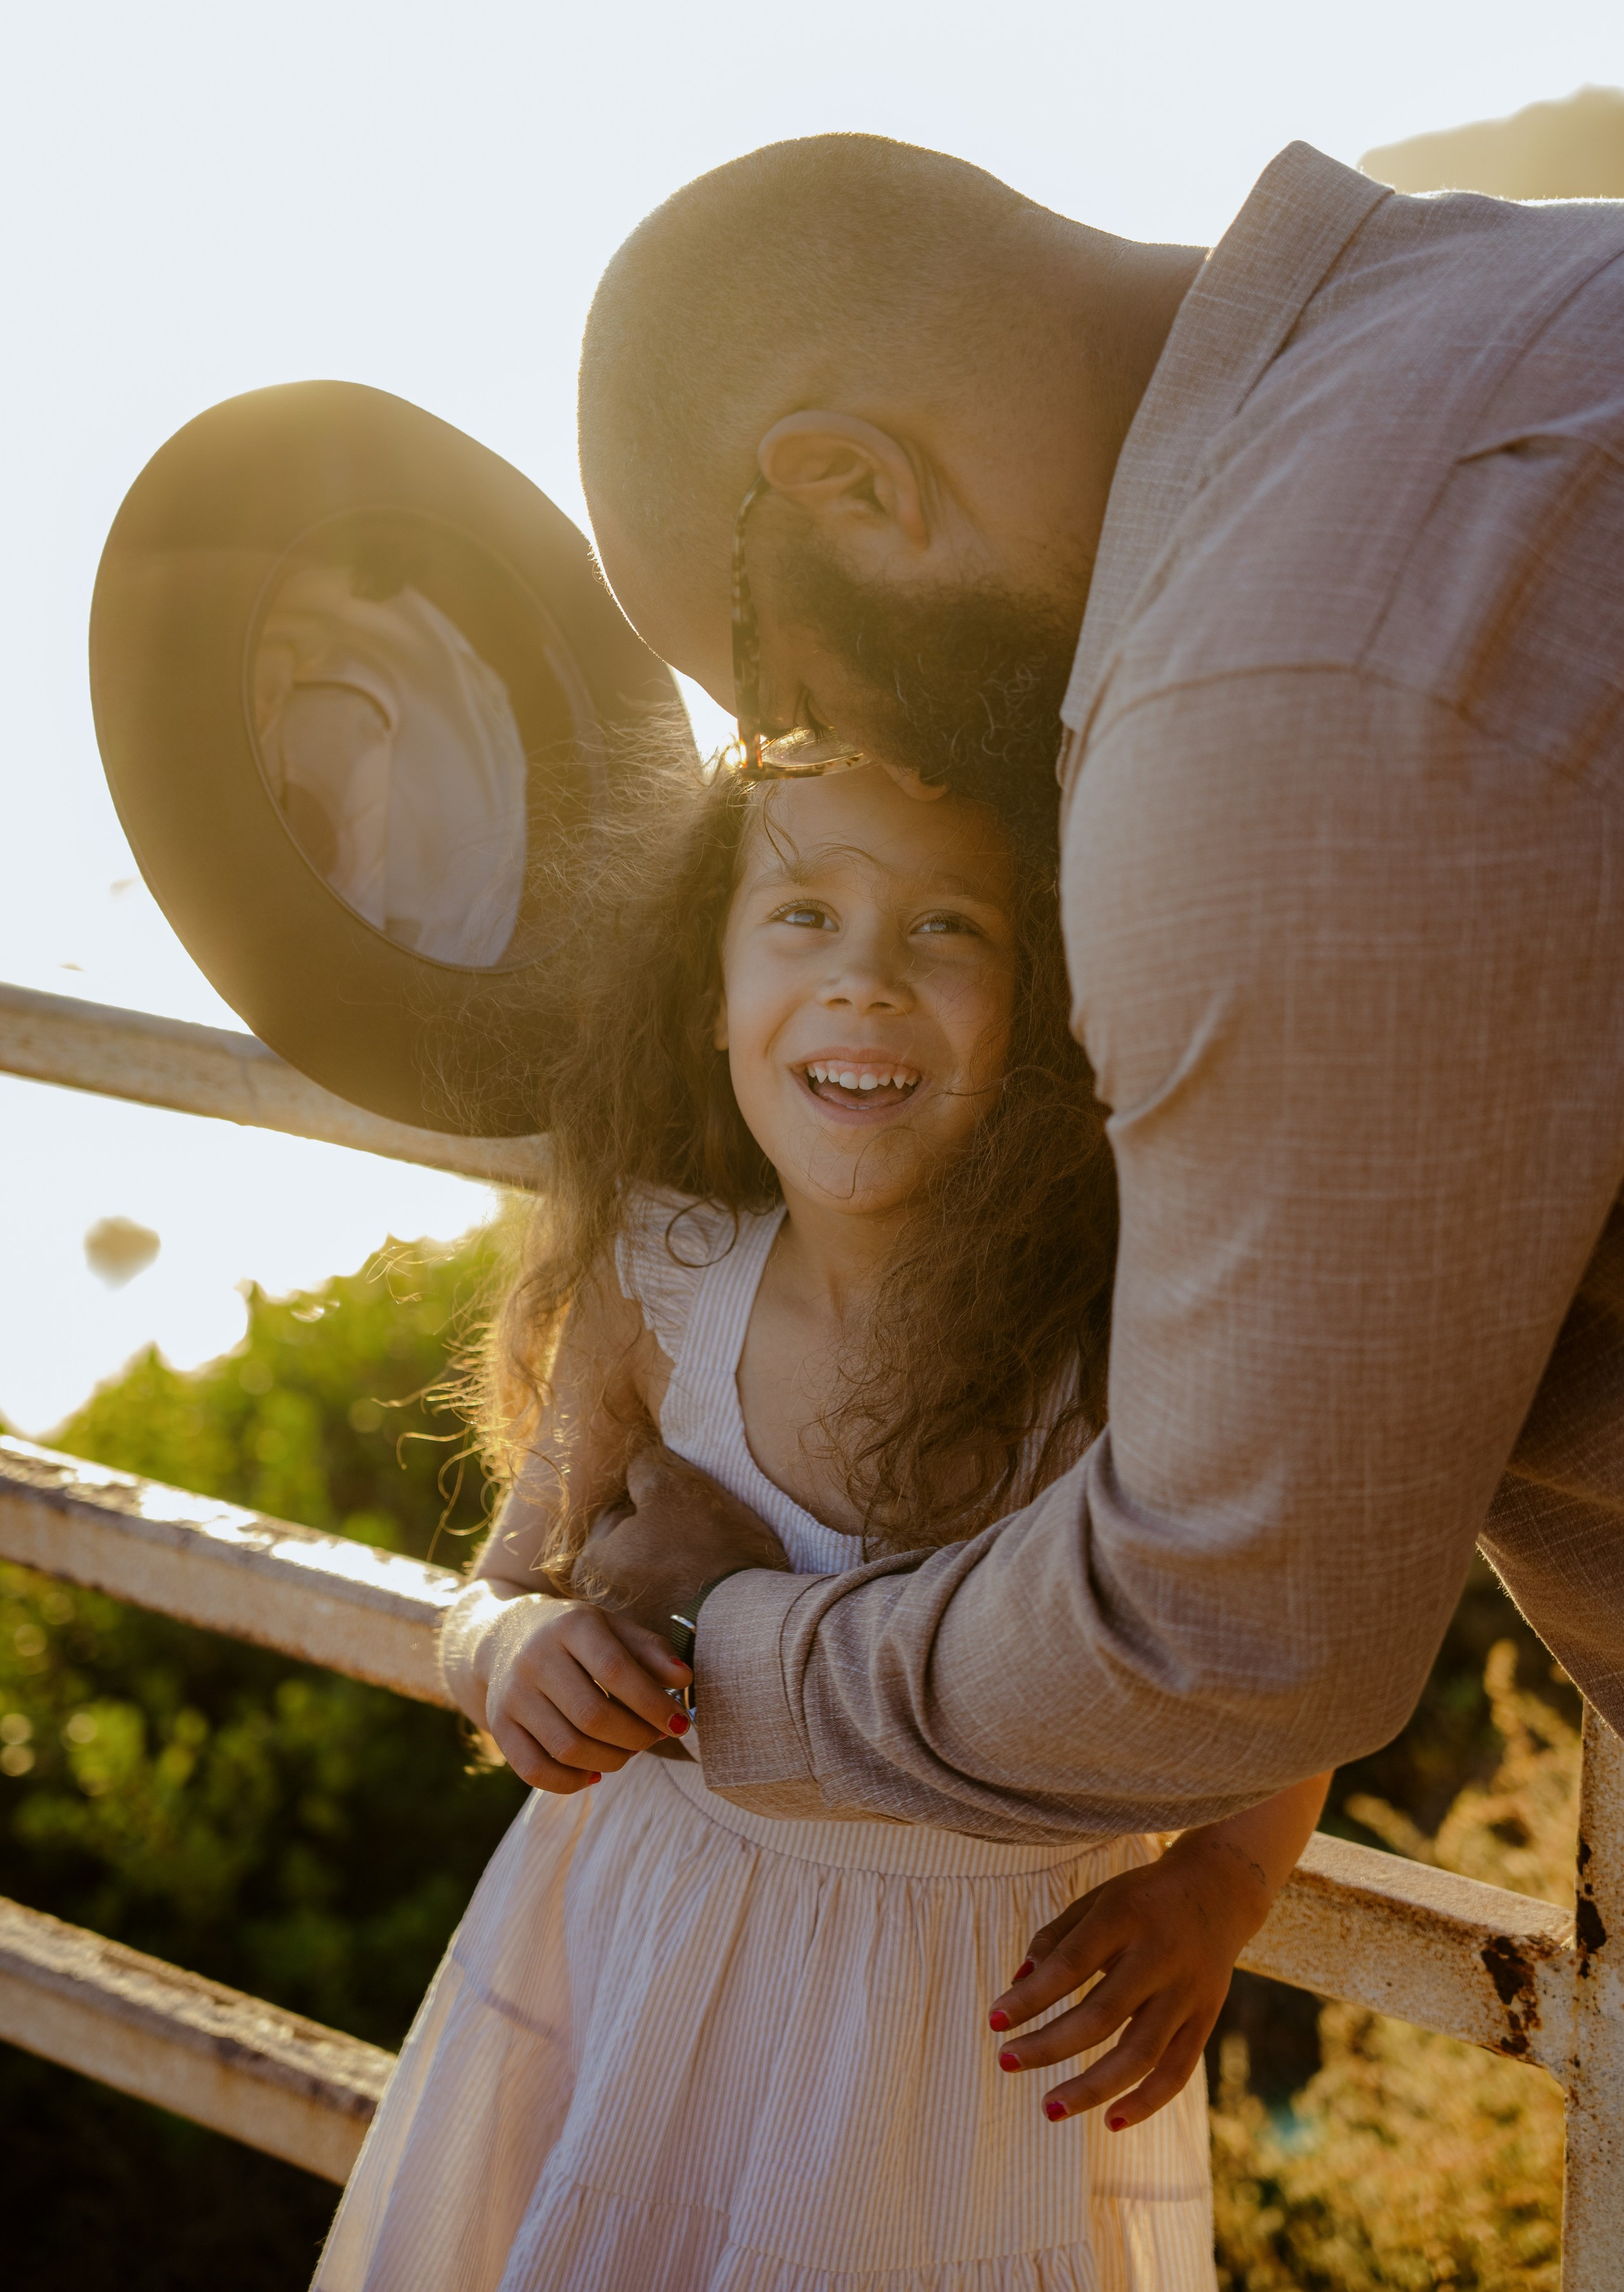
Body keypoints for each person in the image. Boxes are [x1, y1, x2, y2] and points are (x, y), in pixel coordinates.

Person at [563, 129, 1624, 1867]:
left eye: (798, 696)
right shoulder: (1534, 288)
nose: (878, 761)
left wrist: (734, 1649)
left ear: (852, 485)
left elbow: (1227, 1633)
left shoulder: (1262, 705)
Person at [315, 750, 1327, 2291]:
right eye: (800, 915)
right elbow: (492, 1588)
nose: (864, 980)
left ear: (1042, 1003)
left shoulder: (1112, 1347)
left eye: (945, 931)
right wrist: (514, 1650)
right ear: (710, 993)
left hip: (972, 2033)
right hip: (647, 1962)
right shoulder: (659, 1279)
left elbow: (1277, 1652)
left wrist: (1221, 1882)